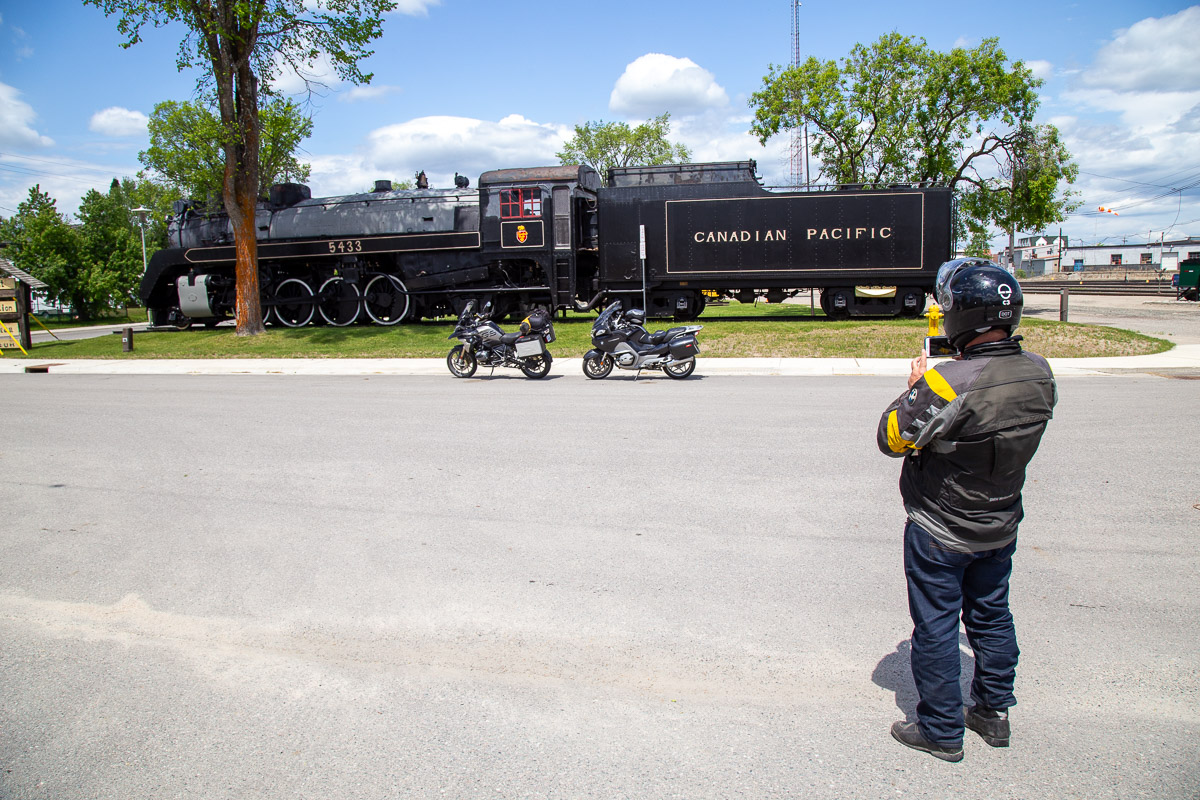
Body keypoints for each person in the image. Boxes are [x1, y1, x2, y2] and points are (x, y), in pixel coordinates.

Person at [876, 258, 1058, 762]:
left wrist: (916, 386)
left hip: (941, 524)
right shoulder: (1039, 373)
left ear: (959, 316)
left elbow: (890, 437)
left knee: (936, 625)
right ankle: (993, 712)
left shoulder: (949, 382)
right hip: (1000, 521)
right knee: (992, 615)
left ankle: (941, 729)